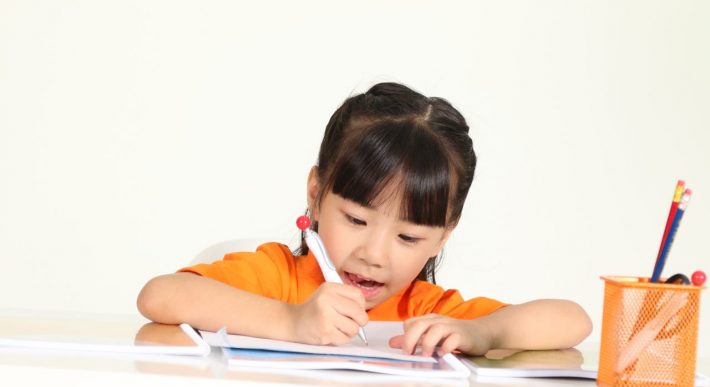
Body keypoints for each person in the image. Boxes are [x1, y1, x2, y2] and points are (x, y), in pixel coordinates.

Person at [137, 82, 592, 357]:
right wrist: (292, 322)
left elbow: (574, 322)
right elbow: (160, 296)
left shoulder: (425, 311)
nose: (374, 254)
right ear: (315, 195)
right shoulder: (278, 277)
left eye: (409, 236)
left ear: (442, 238)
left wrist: (482, 331)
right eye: (356, 220)